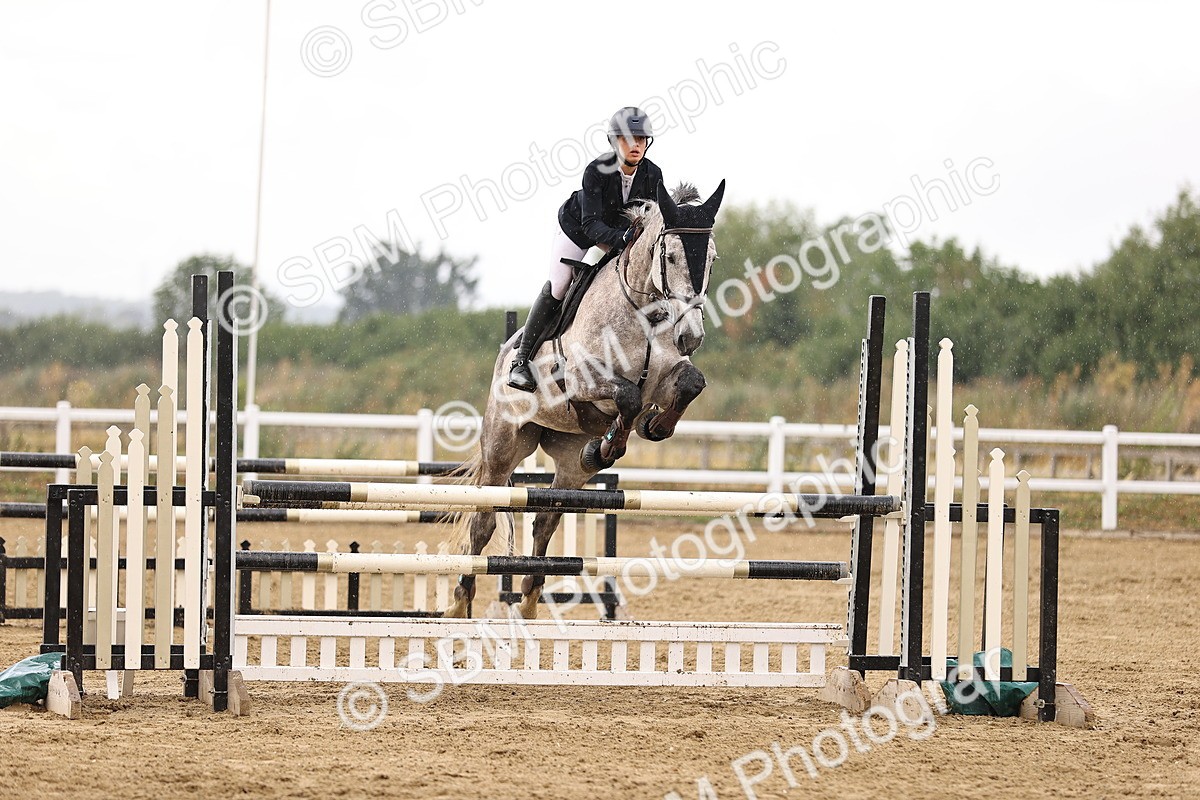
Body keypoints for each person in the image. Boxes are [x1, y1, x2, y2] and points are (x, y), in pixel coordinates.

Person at [507, 106, 666, 392]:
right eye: (628, 139)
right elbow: (591, 225)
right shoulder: (596, 170)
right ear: (614, 141)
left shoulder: (653, 174)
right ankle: (521, 360)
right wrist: (622, 238)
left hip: (620, 235)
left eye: (641, 139)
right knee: (560, 285)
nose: (636, 145)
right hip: (578, 228)